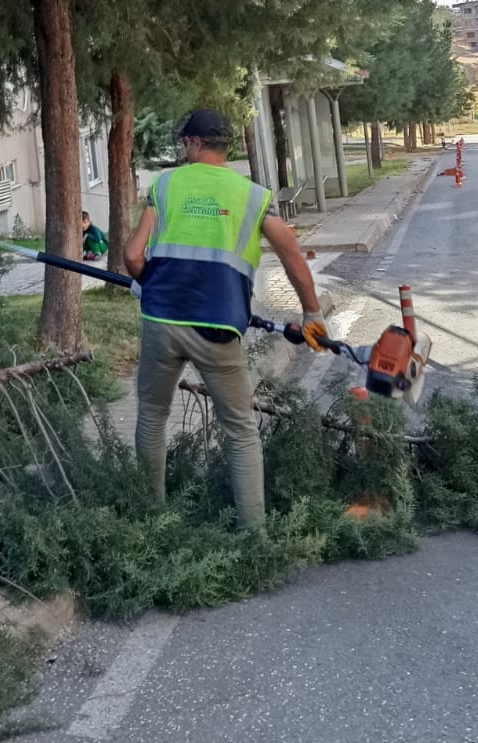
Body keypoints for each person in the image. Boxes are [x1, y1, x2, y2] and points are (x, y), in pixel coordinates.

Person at [123, 108, 329, 528]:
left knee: (152, 415)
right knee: (239, 429)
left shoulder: (164, 185)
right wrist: (311, 313)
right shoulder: (252, 195)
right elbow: (292, 255)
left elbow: (131, 255)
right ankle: (254, 533)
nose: (183, 150)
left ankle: (151, 520)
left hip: (161, 320)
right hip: (217, 327)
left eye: (185, 143)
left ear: (196, 143)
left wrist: (149, 281)